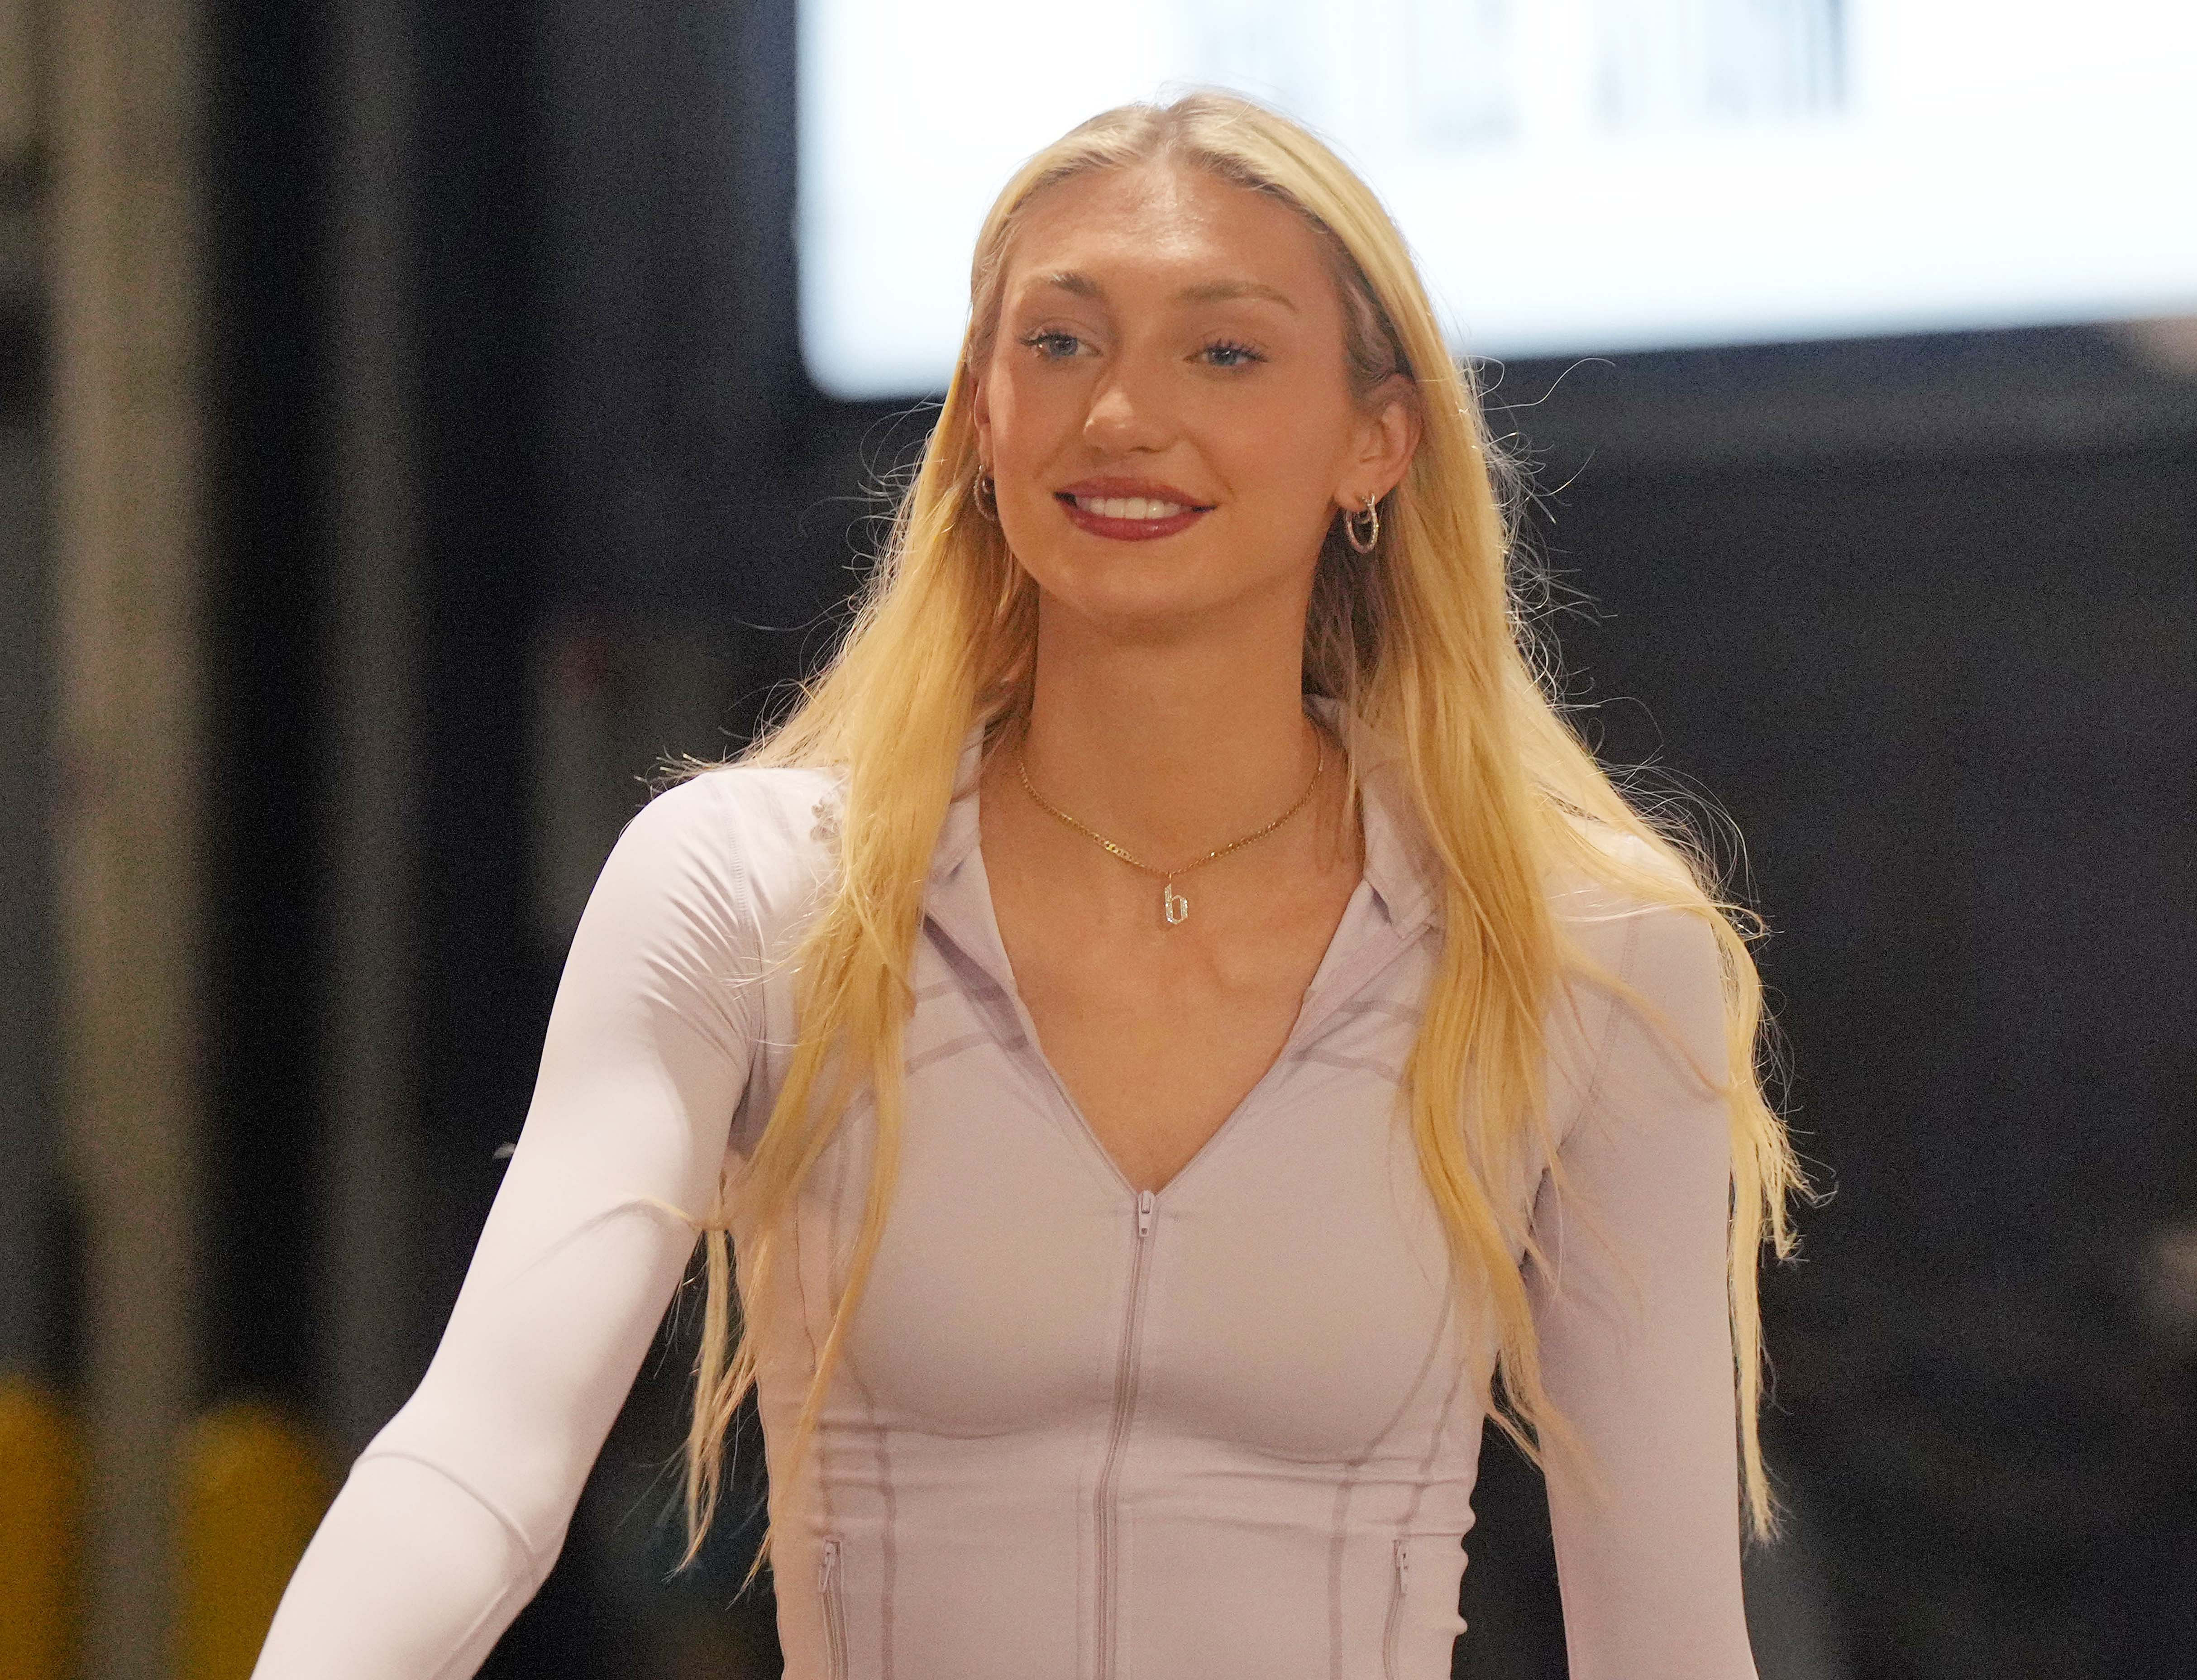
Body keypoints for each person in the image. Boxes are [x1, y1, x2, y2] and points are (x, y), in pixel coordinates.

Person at [253, 90, 1803, 1680]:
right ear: (980, 415)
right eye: (1059, 343)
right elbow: (480, 1467)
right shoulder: (754, 894)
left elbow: (1670, 1636)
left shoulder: (1581, 949)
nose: (1122, 413)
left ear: (1377, 440)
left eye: (1224, 352)